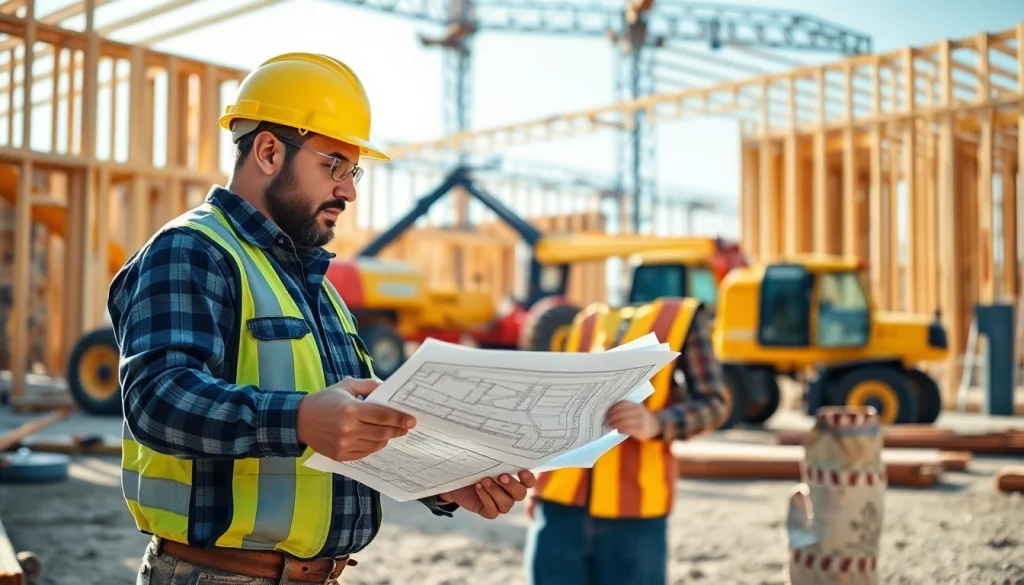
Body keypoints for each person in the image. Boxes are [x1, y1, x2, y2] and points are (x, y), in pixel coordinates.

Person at [108, 52, 535, 585]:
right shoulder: (191, 250)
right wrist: (299, 420)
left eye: (353, 171)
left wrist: (442, 481)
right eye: (334, 165)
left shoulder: (318, 287)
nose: (349, 191)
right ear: (268, 151)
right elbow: (156, 399)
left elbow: (351, 430)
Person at [522, 298, 729, 585]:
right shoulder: (585, 320)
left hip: (635, 511)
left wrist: (656, 423)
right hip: (558, 502)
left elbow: (713, 404)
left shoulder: (683, 318)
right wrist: (537, 487)